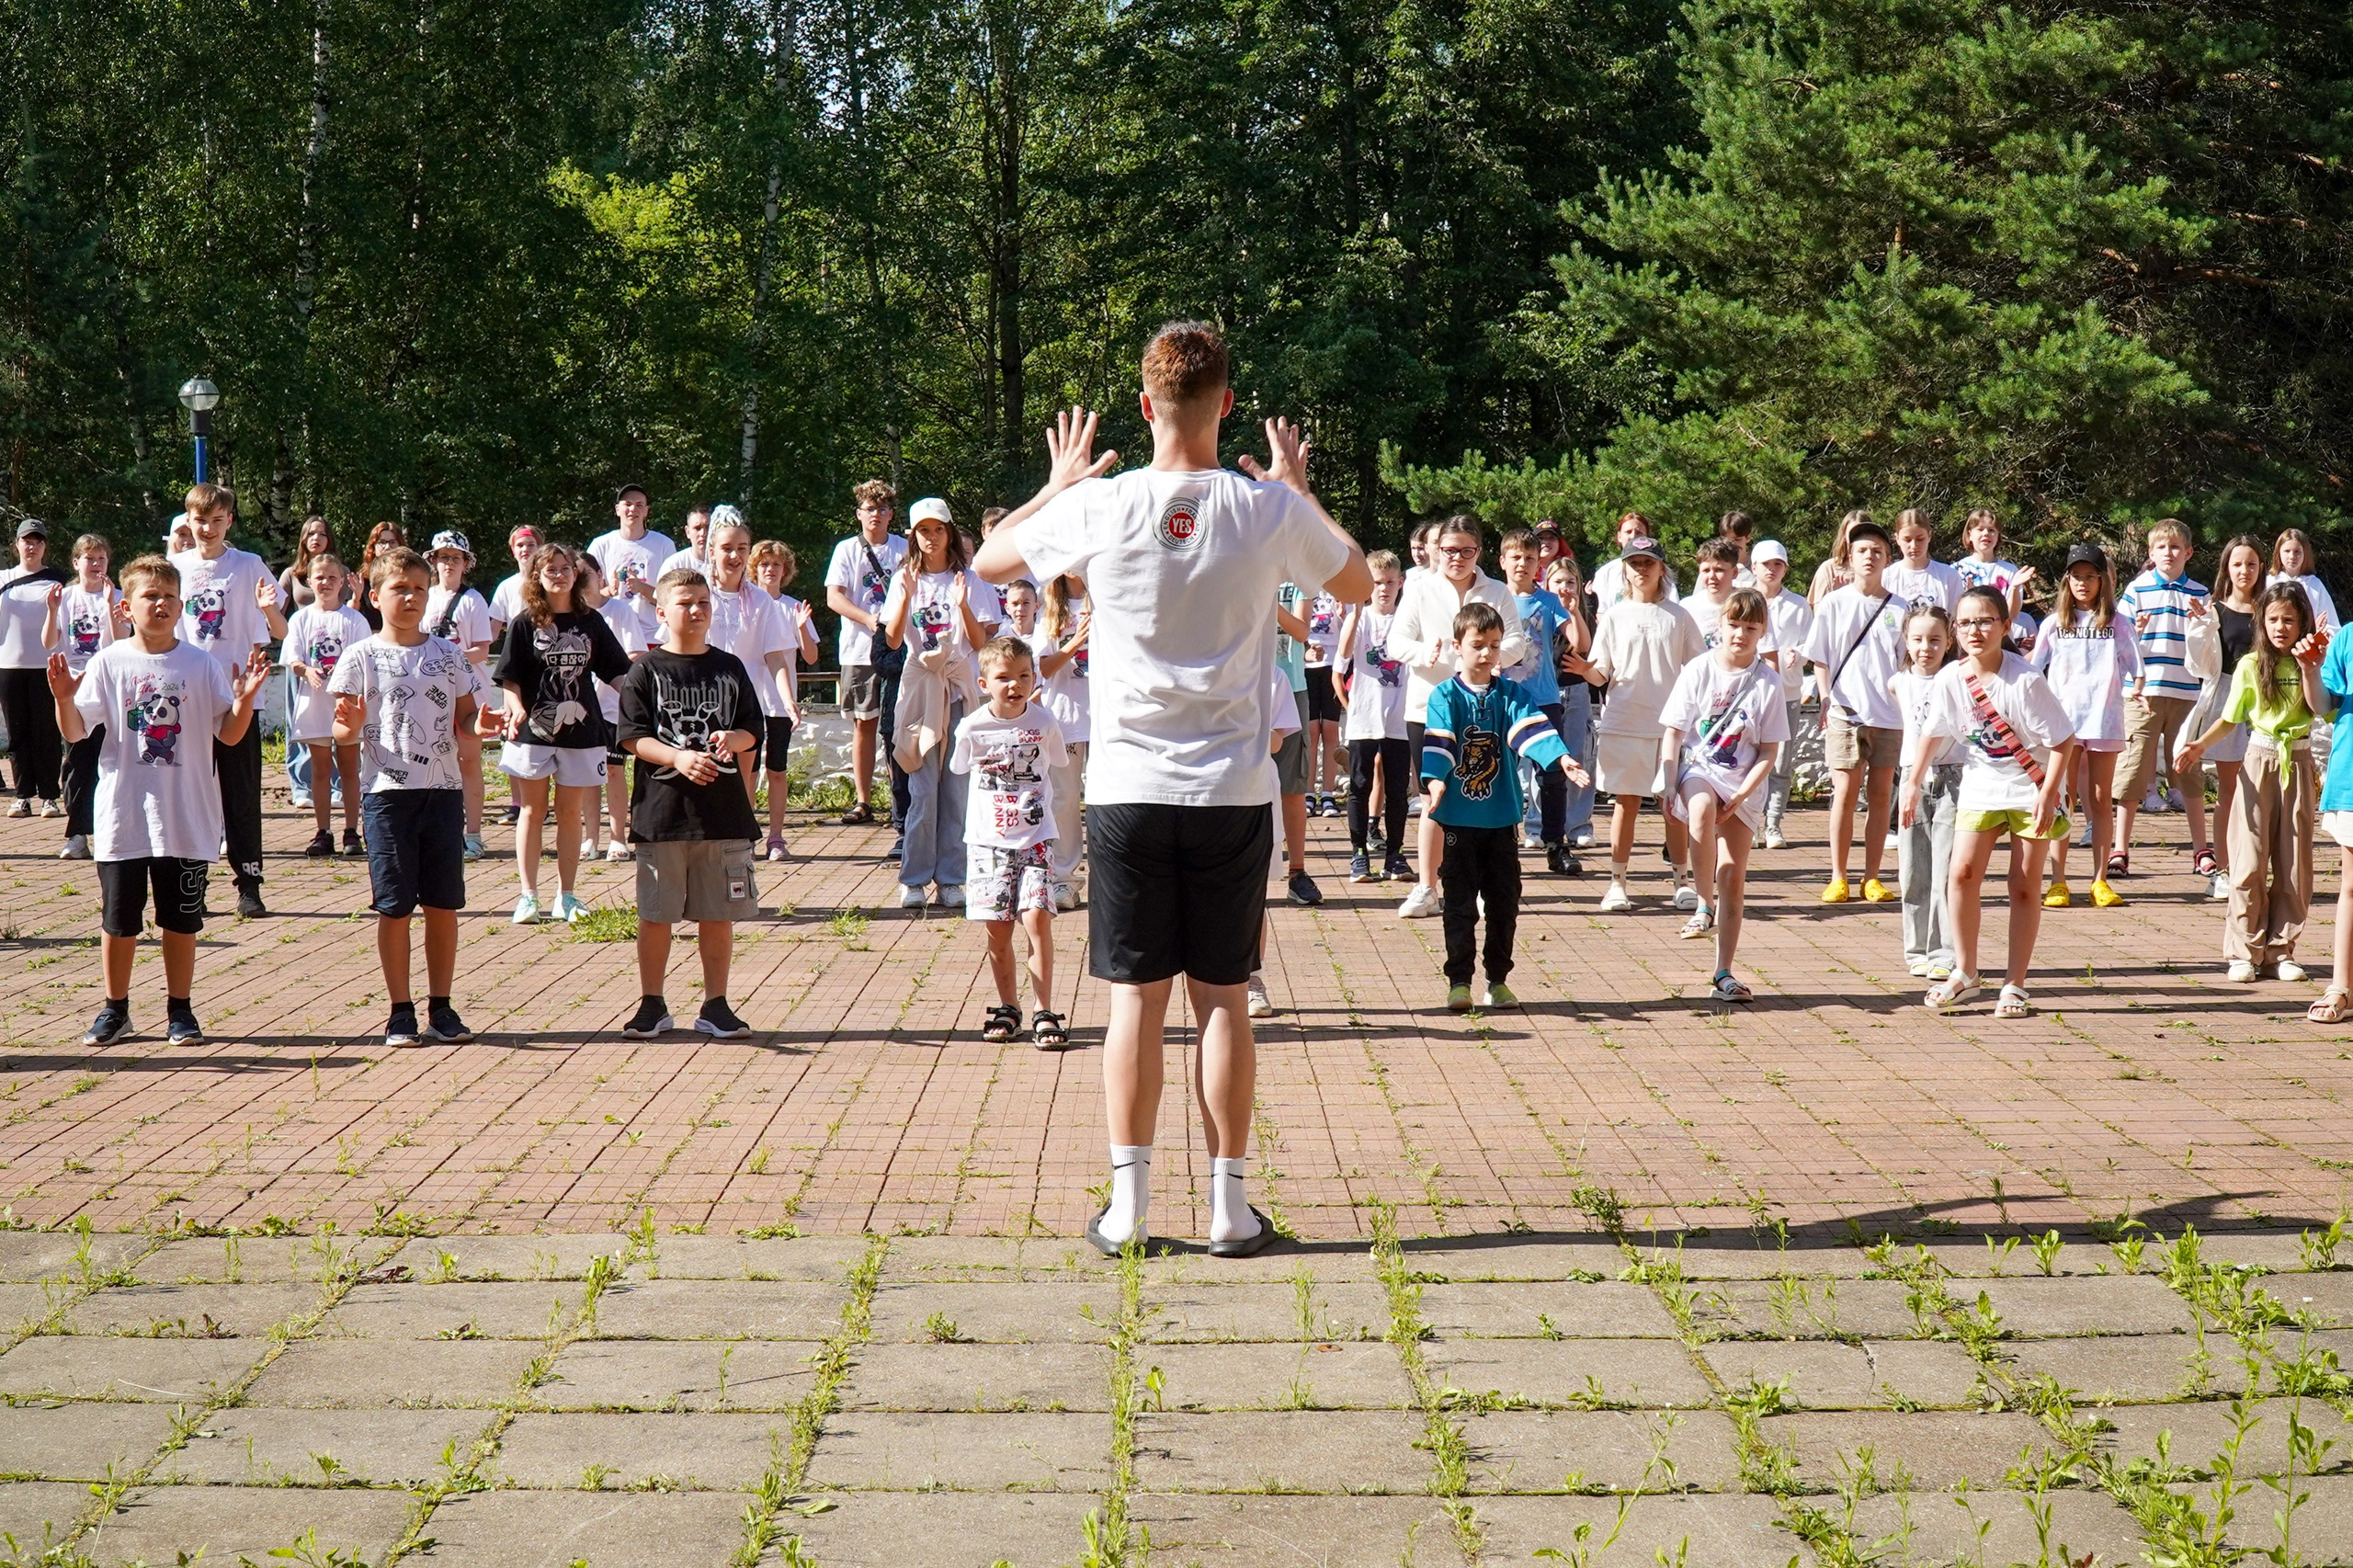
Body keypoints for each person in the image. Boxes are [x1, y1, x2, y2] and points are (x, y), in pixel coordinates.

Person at [973, 320, 1370, 1256]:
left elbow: (989, 560)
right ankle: (1229, 1207)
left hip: (1128, 789)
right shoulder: (1264, 508)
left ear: (1145, 404)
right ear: (1225, 402)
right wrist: (1301, 488)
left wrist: (1057, 486)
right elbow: (1353, 581)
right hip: (1233, 788)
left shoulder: (1101, 507)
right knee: (1223, 996)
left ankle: (1130, 1206)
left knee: (1133, 1002)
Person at [51, 555, 268, 1045]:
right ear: (127, 607)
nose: (162, 604)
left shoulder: (199, 663)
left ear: (182, 603)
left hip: (187, 816)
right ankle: (116, 1009)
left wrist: (245, 700)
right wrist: (65, 698)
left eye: (170, 596)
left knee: (181, 919)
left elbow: (229, 736)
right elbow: (76, 730)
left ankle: (181, 1010)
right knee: (119, 920)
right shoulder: (110, 662)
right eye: (151, 596)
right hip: (124, 815)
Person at [328, 548, 483, 1046]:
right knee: (394, 907)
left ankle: (442, 1006)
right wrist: (347, 728)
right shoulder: (361, 656)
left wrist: (487, 724)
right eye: (399, 588)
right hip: (387, 796)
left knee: (443, 904)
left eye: (419, 588)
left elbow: (467, 719)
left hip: (442, 793)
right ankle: (400, 1011)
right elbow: (342, 733)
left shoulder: (448, 654)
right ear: (375, 596)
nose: (411, 597)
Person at [1906, 586, 2078, 1017]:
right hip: (1981, 786)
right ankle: (1964, 973)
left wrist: (2047, 791)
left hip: (2029, 788)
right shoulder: (1951, 678)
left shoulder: (2025, 680)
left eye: (1984, 621)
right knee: (1961, 874)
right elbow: (1934, 731)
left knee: (2022, 884)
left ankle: (2015, 984)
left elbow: (2063, 741)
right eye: (1964, 623)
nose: (1974, 630)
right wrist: (1911, 783)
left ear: (2005, 625)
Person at [614, 569, 764, 1040]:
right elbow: (632, 738)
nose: (696, 610)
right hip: (661, 814)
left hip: (721, 814)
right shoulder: (645, 670)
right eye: (684, 603)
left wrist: (730, 738)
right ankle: (652, 1003)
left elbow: (752, 729)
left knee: (717, 913)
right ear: (661, 612)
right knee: (656, 913)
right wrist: (678, 756)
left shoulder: (729, 666)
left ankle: (716, 1004)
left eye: (702, 601)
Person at [1421, 601, 1582, 1010]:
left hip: (1501, 819)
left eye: (1494, 645)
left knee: (1504, 903)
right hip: (1458, 819)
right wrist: (1436, 779)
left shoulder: (1511, 693)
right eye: (1478, 644)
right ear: (1458, 646)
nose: (1487, 653)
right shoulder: (1445, 694)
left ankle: (1497, 980)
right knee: (1458, 905)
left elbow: (1532, 730)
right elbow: (1439, 741)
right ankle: (1459, 982)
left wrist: (1561, 758)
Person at [2176, 583, 2327, 985]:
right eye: (2274, 619)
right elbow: (2230, 716)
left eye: (2290, 621)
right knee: (2249, 859)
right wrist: (2199, 744)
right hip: (2258, 762)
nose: (2281, 627)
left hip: (2297, 760)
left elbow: (2321, 709)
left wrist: (2313, 665)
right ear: (2262, 621)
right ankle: (2244, 949)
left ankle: (2282, 950)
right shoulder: (2249, 665)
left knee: (2294, 861)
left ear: (2302, 624)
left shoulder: (2310, 663)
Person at [1386, 516, 1528, 917]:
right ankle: (1427, 887)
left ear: (1479, 552)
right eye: (1450, 550)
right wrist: (1423, 654)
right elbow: (1396, 640)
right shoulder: (1418, 588)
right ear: (1436, 550)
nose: (1458, 558)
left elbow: (1516, 639)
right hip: (1430, 703)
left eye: (1467, 551)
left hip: (1486, 707)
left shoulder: (1496, 590)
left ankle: (1483, 886)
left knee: (1486, 793)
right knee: (1434, 795)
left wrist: (1497, 656)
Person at [494, 542, 633, 924]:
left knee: (570, 813)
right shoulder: (525, 622)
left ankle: (567, 896)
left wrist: (643, 702)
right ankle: (528, 897)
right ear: (537, 575)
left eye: (565, 568)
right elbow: (509, 676)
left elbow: (617, 670)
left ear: (578, 573)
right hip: (533, 731)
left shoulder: (591, 621)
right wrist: (516, 705)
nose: (559, 574)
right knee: (531, 810)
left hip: (581, 730)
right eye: (550, 569)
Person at [1658, 586, 1787, 1001]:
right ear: (1721, 625)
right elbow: (1674, 732)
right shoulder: (1698, 669)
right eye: (1734, 625)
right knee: (1699, 809)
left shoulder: (1768, 682)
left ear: (1762, 630)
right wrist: (1667, 779)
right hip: (1700, 769)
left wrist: (1743, 794)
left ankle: (1723, 972)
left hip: (1744, 783)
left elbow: (1769, 751)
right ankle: (1701, 903)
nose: (1740, 634)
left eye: (1750, 627)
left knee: (1732, 874)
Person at [1568, 536, 1704, 912]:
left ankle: (1682, 882)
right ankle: (1617, 884)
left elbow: (1700, 669)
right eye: (1634, 563)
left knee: (1672, 806)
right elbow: (1600, 674)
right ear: (1624, 570)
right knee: (1625, 804)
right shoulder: (1613, 616)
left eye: (1648, 562)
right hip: (1623, 723)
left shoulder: (1680, 616)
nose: (1641, 569)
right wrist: (1584, 670)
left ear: (1662, 569)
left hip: (1670, 729)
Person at [170, 483, 286, 918]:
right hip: (187, 697)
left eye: (217, 520)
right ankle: (190, 882)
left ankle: (249, 883)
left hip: (237, 696)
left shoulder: (249, 565)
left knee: (240, 792)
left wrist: (269, 608)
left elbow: (280, 631)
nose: (208, 529)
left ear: (230, 521)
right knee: (189, 790)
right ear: (189, 521)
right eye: (200, 521)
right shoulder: (174, 567)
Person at [951, 635, 1073, 1047]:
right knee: (998, 930)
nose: (1014, 685)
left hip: (1036, 835)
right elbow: (958, 767)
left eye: (1024, 675)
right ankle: (1008, 1007)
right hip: (988, 843)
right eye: (1003, 677)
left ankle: (1044, 1010)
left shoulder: (1044, 722)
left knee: (1037, 919)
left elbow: (1057, 762)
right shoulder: (971, 726)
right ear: (984, 683)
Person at [885, 496, 997, 907]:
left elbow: (982, 641)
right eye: (923, 531)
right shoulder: (904, 578)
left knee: (956, 790)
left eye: (938, 529)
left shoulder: (971, 578)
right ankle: (913, 878)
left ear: (950, 532)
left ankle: (952, 878)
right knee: (923, 787)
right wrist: (904, 596)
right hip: (920, 694)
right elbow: (893, 639)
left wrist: (965, 603)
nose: (931, 538)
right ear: (914, 535)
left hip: (960, 691)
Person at [1802, 515, 1905, 904]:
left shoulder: (1901, 607)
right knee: (1844, 793)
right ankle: (1838, 875)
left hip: (1889, 715)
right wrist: (1827, 698)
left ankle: (1872, 877)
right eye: (1862, 550)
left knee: (1881, 795)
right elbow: (1820, 658)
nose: (1869, 557)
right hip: (1845, 710)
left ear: (1886, 558)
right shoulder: (1833, 603)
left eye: (1877, 551)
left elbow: (1906, 662)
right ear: (1849, 555)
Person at [2029, 544, 2137, 909]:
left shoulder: (2119, 623)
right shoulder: (2054, 623)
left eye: (2091, 576)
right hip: (2064, 725)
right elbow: (2033, 668)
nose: (2083, 583)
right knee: (2063, 799)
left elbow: (2136, 670)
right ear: (2067, 580)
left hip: (2104, 721)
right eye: (2077, 576)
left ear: (2103, 580)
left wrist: (2138, 691)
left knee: (2101, 799)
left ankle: (2100, 880)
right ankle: (2058, 880)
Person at [2112, 518, 2211, 876]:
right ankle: (2120, 850)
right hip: (2144, 693)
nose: (2168, 554)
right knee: (2133, 769)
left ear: (2188, 553)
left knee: (2188, 771)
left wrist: (2202, 628)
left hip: (2186, 693)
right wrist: (2133, 635)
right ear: (2150, 553)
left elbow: (2208, 652)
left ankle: (2202, 850)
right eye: (2160, 548)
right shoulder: (2136, 590)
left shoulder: (2200, 593)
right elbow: (2119, 646)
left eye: (2175, 548)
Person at [2183, 535, 2267, 901]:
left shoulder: (2270, 608)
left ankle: (2260, 867)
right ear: (2226, 568)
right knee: (2230, 790)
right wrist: (2200, 629)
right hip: (2228, 699)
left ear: (2261, 567)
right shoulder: (2213, 610)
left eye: (2251, 563)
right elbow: (2199, 666)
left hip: (2266, 700)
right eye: (2237, 564)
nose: (2244, 571)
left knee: (2265, 790)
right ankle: (2224, 869)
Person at [701, 508, 794, 835]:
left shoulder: (761, 601)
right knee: (704, 777)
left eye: (742, 548)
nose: (735, 555)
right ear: (712, 550)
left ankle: (740, 842)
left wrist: (787, 699)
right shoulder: (697, 594)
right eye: (727, 548)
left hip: (745, 705)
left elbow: (775, 655)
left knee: (744, 779)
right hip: (700, 703)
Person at [824, 480, 910, 831]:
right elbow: (835, 597)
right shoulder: (847, 550)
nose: (876, 515)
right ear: (859, 514)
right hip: (860, 649)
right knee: (865, 723)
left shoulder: (905, 548)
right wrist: (869, 619)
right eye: (869, 509)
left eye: (882, 509)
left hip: (900, 647)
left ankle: (901, 800)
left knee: (899, 724)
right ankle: (863, 800)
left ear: (891, 514)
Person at [1498, 528, 1578, 872]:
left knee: (1552, 772)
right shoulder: (1494, 599)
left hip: (1544, 697)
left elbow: (1577, 642)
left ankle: (1555, 845)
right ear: (1502, 561)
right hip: (1504, 697)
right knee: (1501, 772)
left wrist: (1571, 610)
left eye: (1530, 558)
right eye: (1515, 557)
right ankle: (1503, 842)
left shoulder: (1547, 601)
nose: (1522, 564)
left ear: (1539, 565)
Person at [283, 554, 370, 858]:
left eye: (332, 578)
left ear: (342, 582)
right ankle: (323, 831)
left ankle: (351, 831)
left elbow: (363, 660)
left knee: (349, 768)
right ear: (309, 581)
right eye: (319, 577)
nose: (325, 583)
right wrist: (306, 670)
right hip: (314, 705)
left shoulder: (354, 620)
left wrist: (346, 689)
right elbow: (293, 659)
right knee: (319, 769)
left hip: (344, 704)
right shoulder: (301, 619)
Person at [1891, 604, 1960, 980]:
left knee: (1946, 868)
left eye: (1935, 640)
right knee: (1913, 868)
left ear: (1949, 641)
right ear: (1905, 640)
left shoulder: (1956, 677)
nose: (1926, 648)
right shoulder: (1899, 681)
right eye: (1917, 639)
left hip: (1953, 778)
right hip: (1911, 779)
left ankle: (1944, 949)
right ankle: (1916, 947)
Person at [43, 532, 119, 859]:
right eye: (90, 558)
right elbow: (49, 642)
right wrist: (50, 610)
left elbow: (120, 641)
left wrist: (111, 604)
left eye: (102, 558)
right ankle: (76, 834)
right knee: (77, 760)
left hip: (107, 686)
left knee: (109, 760)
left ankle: (109, 829)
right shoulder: (66, 596)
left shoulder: (113, 596)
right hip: (74, 689)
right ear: (76, 563)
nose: (96, 564)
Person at [1338, 551, 1410, 882]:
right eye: (1377, 583)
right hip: (1365, 716)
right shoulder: (1361, 619)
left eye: (1390, 583)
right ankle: (1358, 853)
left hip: (1399, 716)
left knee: (1397, 789)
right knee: (1360, 785)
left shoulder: (1409, 619)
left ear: (1400, 583)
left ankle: (1395, 855)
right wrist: (1351, 705)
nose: (1383, 589)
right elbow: (1340, 666)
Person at [421, 531, 494, 859]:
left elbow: (482, 649)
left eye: (455, 557)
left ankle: (473, 833)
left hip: (467, 692)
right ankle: (435, 831)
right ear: (432, 561)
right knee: (429, 762)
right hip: (427, 691)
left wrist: (451, 657)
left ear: (466, 563)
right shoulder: (423, 594)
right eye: (443, 557)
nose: (448, 563)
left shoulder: (473, 600)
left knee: (468, 760)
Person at [747, 540, 819, 860]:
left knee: (776, 770)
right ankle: (744, 835)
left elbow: (812, 656)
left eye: (776, 565)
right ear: (755, 569)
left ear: (785, 570)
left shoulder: (792, 607)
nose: (770, 570)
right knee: (745, 772)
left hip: (779, 702)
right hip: (747, 700)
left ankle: (776, 838)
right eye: (764, 564)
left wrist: (802, 629)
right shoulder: (745, 602)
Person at [0, 519, 70, 820]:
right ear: (16, 544)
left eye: (38, 541)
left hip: (47, 665)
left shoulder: (58, 581)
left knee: (47, 733)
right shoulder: (3, 579)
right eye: (26, 541)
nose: (32, 546)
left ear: (45, 546)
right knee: (18, 734)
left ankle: (50, 797)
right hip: (9, 666)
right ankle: (23, 795)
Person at [2308, 607, 2353, 1023]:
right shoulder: (2348, 637)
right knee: (2351, 887)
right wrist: (2310, 666)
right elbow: (2323, 706)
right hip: (2350, 778)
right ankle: (2341, 985)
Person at [1754, 540, 1813, 849]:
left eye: (1777, 565)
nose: (1772, 570)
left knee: (1781, 763)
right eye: (1766, 565)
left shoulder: (1798, 604)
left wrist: (1798, 655)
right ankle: (1750, 822)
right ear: (1754, 568)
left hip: (1787, 692)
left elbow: (1809, 643)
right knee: (1750, 760)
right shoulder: (1745, 599)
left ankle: (1773, 824)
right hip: (1750, 695)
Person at [1037, 574, 1091, 907]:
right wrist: (1072, 645)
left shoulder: (1107, 594)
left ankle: (1112, 876)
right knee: (1065, 800)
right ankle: (1064, 879)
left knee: (1106, 802)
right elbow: (1042, 668)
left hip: (1107, 716)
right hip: (1067, 718)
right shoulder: (1049, 608)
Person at [278, 514, 336, 810]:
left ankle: (335, 786)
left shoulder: (339, 572)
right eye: (311, 533)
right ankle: (301, 785)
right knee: (299, 720)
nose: (316, 538)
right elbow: (275, 611)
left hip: (334, 660)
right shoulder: (292, 574)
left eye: (322, 533)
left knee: (337, 721)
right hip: (300, 656)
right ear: (303, 539)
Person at [1270, 582, 1322, 913]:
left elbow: (1301, 631)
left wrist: (1266, 600)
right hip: (1239, 681)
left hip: (1291, 686)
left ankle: (1297, 872)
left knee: (1292, 786)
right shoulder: (1240, 558)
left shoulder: (1298, 580)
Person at [1545, 554, 1599, 849]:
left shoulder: (1582, 612)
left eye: (1571, 581)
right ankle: (1537, 825)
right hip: (1545, 692)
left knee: (1579, 756)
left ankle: (1578, 825)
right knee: (1543, 760)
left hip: (1575, 690)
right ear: (1546, 583)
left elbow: (1582, 646)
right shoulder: (1540, 609)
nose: (1565, 587)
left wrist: (1574, 612)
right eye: (1558, 582)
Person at [587, 483, 676, 613]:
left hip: (652, 631)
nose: (633, 509)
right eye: (628, 504)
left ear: (646, 511)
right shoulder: (600, 545)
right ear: (617, 509)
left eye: (639, 505)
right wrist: (609, 591)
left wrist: (641, 588)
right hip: (611, 629)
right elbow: (585, 597)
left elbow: (673, 598)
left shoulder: (664, 545)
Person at [1302, 585, 1347, 817]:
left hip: (1333, 666)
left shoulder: (1338, 585)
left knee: (1330, 729)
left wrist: (1342, 614)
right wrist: (1304, 652)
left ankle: (1328, 793)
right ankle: (1308, 793)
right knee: (1310, 730)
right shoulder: (1303, 585)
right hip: (1306, 667)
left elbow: (1350, 627)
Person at [1591, 512, 1681, 609]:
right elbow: (1601, 611)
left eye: (1639, 533)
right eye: (1628, 532)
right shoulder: (1606, 572)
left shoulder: (1657, 568)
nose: (1633, 536)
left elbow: (1673, 606)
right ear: (1619, 536)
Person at [1951, 507, 2031, 614]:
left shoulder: (2010, 571)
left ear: (1998, 536)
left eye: (1991, 530)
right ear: (1970, 534)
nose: (1986, 534)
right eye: (1980, 529)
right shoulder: (1956, 570)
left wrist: (2014, 588)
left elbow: (2012, 614)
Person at [1884, 509, 1966, 614]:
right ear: (1897, 539)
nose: (1914, 546)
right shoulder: (1887, 577)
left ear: (1929, 536)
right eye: (1907, 540)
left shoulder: (1948, 576)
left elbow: (1956, 618)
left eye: (1920, 539)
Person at [2272, 529, 2339, 632]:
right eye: (2287, 551)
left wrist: (2320, 631)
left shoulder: (2315, 585)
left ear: (2305, 554)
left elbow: (2331, 624)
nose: (2292, 557)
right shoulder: (2269, 582)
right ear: (2278, 553)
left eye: (2297, 552)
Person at [352, 521, 405, 629]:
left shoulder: (407, 577)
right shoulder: (363, 579)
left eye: (392, 542)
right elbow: (350, 614)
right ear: (373, 547)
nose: (387, 547)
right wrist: (356, 598)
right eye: (382, 542)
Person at [657, 504, 715, 580]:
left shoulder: (725, 563)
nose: (703, 533)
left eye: (708, 528)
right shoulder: (675, 564)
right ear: (688, 532)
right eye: (697, 528)